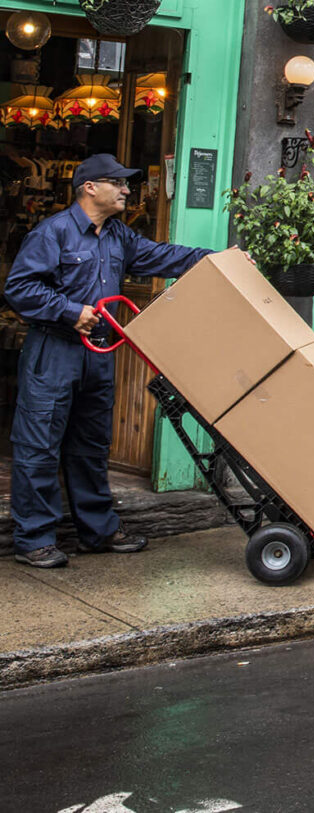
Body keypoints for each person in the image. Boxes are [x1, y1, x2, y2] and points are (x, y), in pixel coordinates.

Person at [8, 154, 211, 568]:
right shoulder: (54, 233)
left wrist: (216, 258)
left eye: (126, 184)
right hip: (54, 351)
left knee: (91, 445)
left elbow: (162, 256)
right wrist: (69, 310)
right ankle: (34, 540)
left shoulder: (119, 235)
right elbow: (20, 288)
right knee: (38, 446)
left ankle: (97, 532)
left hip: (98, 355)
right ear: (89, 188)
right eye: (117, 183)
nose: (126, 190)